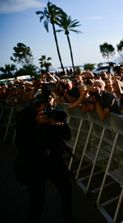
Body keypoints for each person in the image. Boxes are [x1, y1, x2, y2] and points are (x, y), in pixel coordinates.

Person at [14, 86, 74, 222]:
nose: (44, 107)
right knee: (37, 200)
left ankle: (68, 217)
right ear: (34, 103)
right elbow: (20, 142)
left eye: (48, 103)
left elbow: (67, 134)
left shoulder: (57, 114)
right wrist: (36, 124)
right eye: (40, 104)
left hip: (54, 159)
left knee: (66, 190)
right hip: (33, 162)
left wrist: (55, 123)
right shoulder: (23, 115)